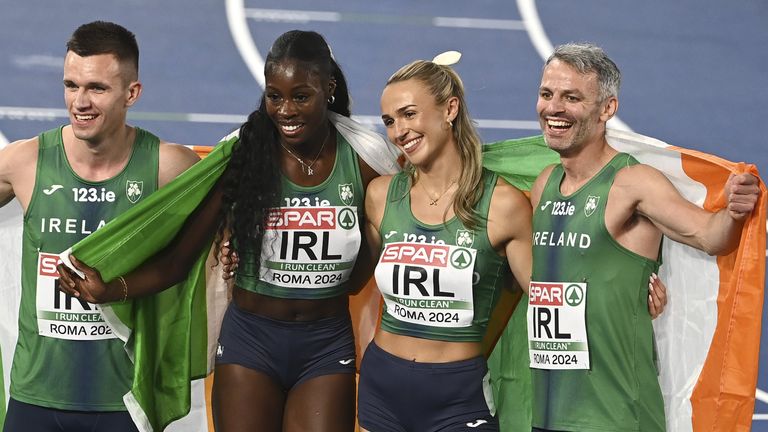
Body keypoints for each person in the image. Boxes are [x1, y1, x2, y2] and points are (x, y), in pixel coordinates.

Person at [56, 30, 392, 432]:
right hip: (251, 344)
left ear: (329, 89)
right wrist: (111, 290)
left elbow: (403, 230)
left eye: (300, 96)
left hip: (325, 344)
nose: (285, 110)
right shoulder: (244, 157)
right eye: (274, 96)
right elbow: (179, 261)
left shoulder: (367, 161)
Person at [527, 42, 760, 431]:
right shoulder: (544, 185)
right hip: (550, 411)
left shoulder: (633, 183)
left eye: (572, 98)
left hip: (616, 415)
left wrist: (734, 212)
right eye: (547, 94)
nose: (553, 108)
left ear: (607, 109)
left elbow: (708, 236)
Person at [0, 21, 200, 432]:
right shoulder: (26, 161)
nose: (80, 102)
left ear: (132, 93)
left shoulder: (168, 167)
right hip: (35, 397)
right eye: (71, 85)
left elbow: (233, 218)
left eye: (96, 88)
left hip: (122, 405)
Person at [356, 58, 534, 431]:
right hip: (381, 389)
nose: (399, 131)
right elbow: (345, 279)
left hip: (458, 398)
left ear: (449, 109)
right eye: (389, 121)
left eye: (408, 114)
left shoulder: (504, 206)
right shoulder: (380, 196)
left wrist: (626, 285)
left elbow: (547, 298)